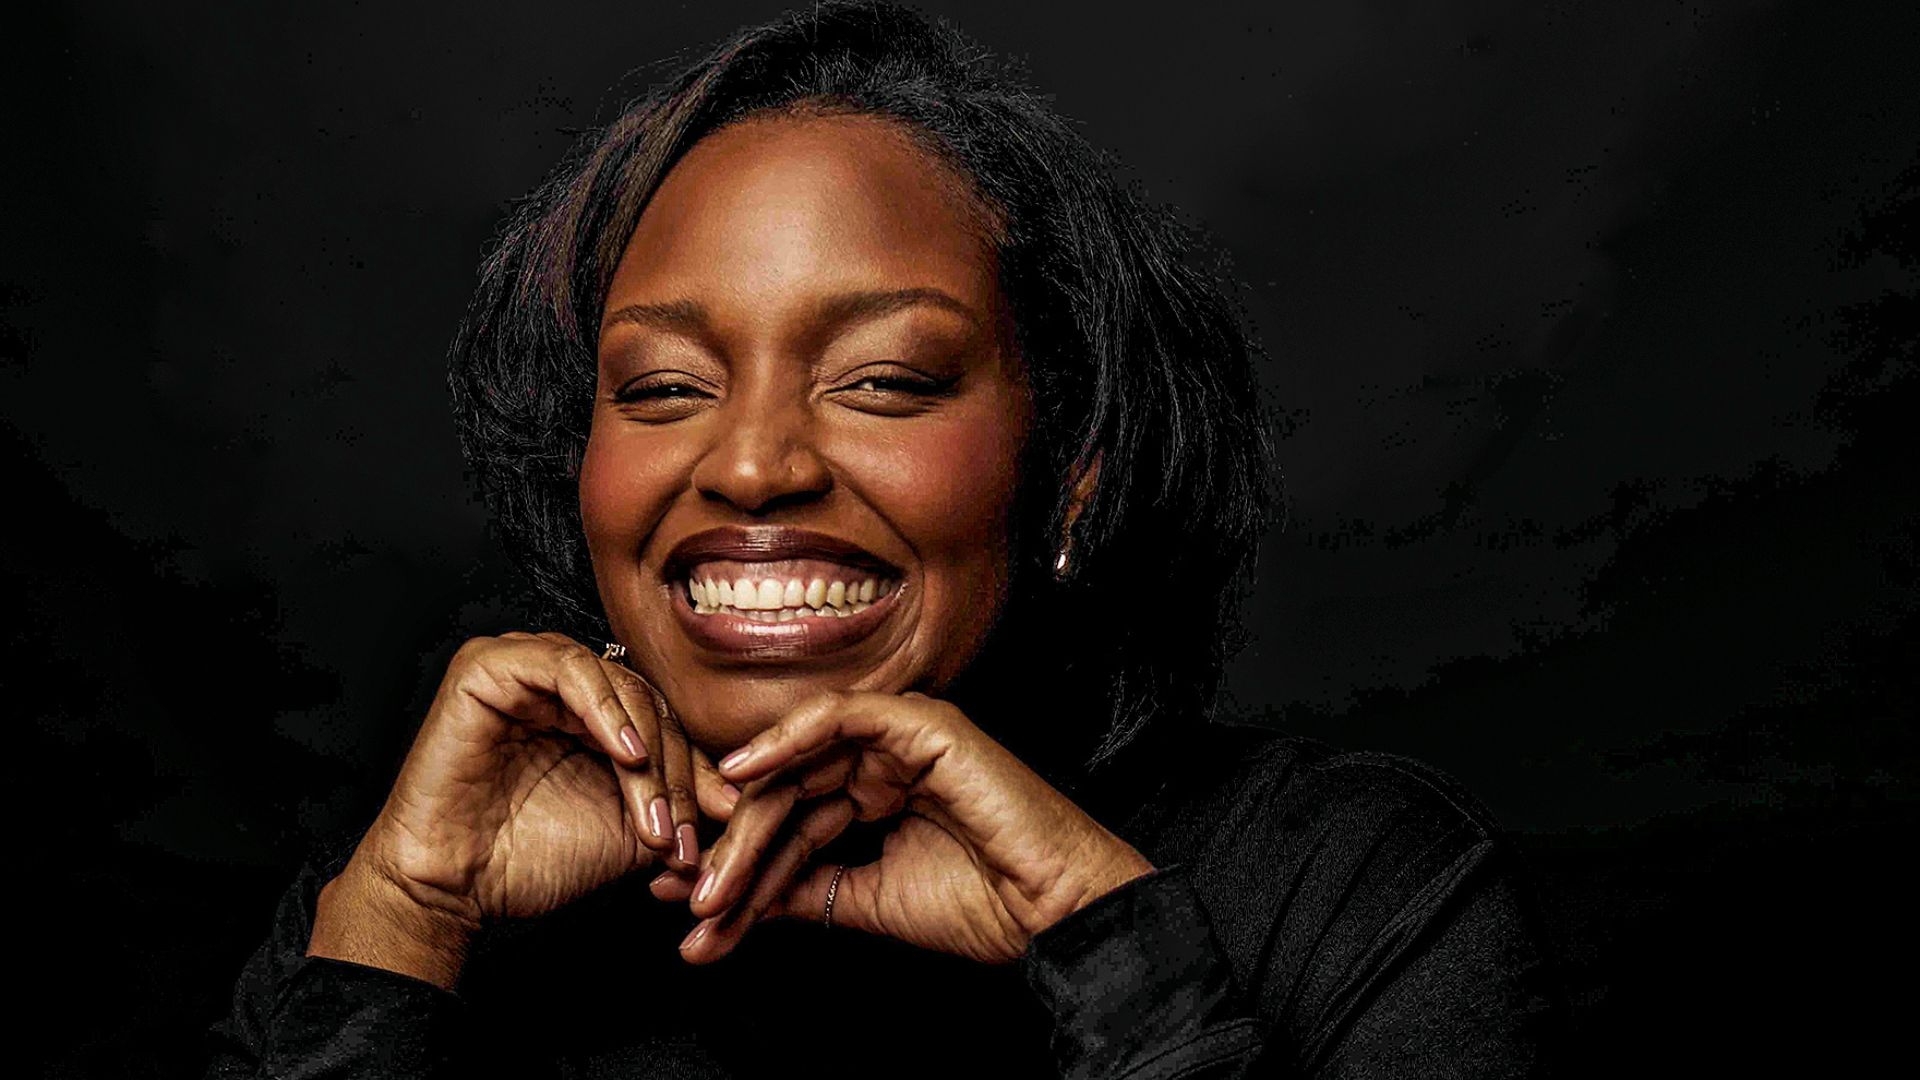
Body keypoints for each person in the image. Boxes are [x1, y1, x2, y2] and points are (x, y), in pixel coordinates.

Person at [206, 2, 1562, 1076]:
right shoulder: (403, 898)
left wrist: (1113, 954)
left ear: (1072, 472)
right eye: (664, 388)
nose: (750, 465)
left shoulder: (1353, 890)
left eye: (885, 381)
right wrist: (404, 923)